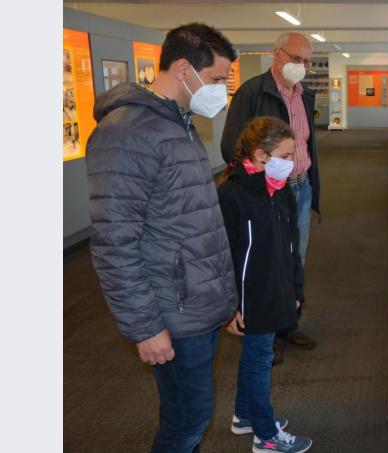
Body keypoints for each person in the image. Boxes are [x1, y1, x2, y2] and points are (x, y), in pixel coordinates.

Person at [85, 23, 239, 453]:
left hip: (195, 306)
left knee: (191, 416)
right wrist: (144, 326)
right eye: (214, 80)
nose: (219, 91)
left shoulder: (178, 123)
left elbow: (196, 224)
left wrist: (222, 302)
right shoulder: (127, 132)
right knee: (186, 423)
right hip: (170, 314)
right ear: (185, 68)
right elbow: (114, 242)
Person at [217, 116, 313, 453]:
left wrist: (296, 291)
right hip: (249, 297)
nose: (291, 163)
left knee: (254, 356)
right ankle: (265, 435)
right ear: (260, 155)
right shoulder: (233, 194)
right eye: (285, 156)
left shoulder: (280, 190)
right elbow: (222, 255)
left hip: (277, 290)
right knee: (260, 360)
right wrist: (230, 306)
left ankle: (244, 416)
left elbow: (291, 247)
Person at [222, 32, 319, 362]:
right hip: (264, 193)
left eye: (307, 61)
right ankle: (264, 329)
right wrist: (260, 182)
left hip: (298, 189)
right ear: (277, 55)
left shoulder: (305, 96)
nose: (302, 66)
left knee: (293, 255)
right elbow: (231, 147)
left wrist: (309, 183)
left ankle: (287, 323)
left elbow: (306, 146)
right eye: (296, 59)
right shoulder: (252, 92)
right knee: (261, 261)